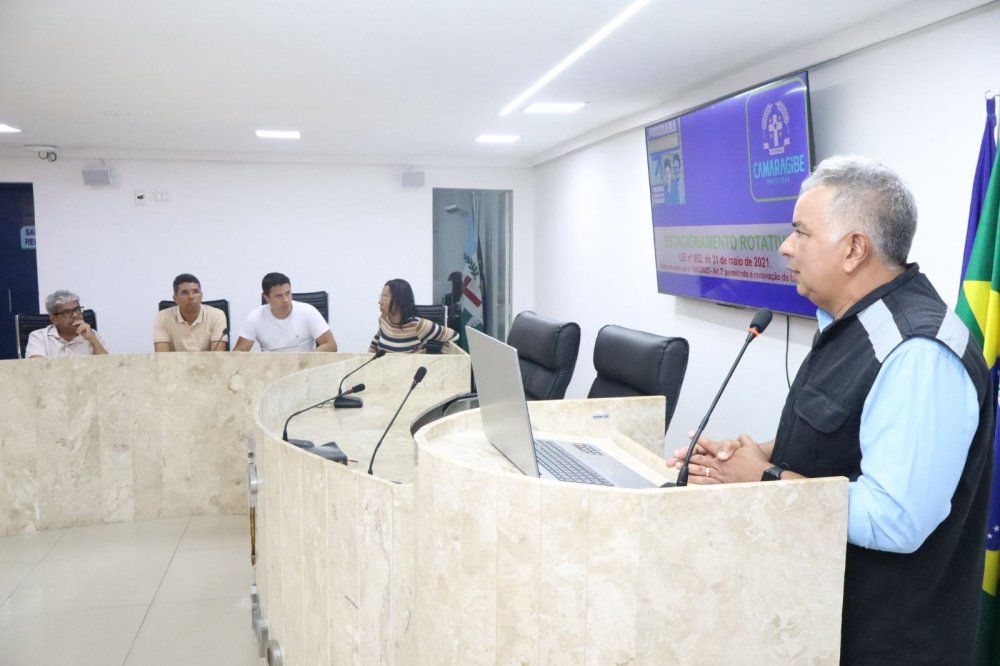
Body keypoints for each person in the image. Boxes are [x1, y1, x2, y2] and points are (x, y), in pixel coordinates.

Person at [667, 155, 994, 664]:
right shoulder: (852, 324)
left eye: (800, 232)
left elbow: (894, 519)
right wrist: (753, 455)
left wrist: (764, 478)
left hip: (886, 645)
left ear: (854, 249)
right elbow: (849, 436)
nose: (786, 246)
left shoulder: (917, 352)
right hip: (817, 623)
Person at [233, 272, 336, 352]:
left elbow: (331, 345)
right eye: (279, 296)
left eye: (288, 293)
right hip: (271, 368)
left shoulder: (308, 311)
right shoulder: (255, 317)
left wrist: (307, 359)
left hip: (304, 366)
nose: (285, 300)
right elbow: (240, 350)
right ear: (266, 297)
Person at [369, 278, 458, 353]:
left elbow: (454, 336)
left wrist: (435, 354)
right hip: (385, 367)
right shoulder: (383, 320)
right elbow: (377, 340)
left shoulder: (419, 326)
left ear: (399, 301)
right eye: (381, 297)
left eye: (385, 298)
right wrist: (368, 359)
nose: (380, 302)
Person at [153, 273, 228, 352]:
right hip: (174, 361)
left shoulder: (217, 315)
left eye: (195, 292)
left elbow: (217, 355)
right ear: (175, 298)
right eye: (185, 293)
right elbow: (162, 356)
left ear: (201, 296)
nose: (191, 297)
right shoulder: (162, 317)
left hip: (208, 361)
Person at [25, 290, 108, 358]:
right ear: (53, 319)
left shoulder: (92, 335)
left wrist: (92, 338)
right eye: (67, 312)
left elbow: (108, 367)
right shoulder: (39, 337)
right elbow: (37, 369)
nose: (75, 315)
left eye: (77, 309)